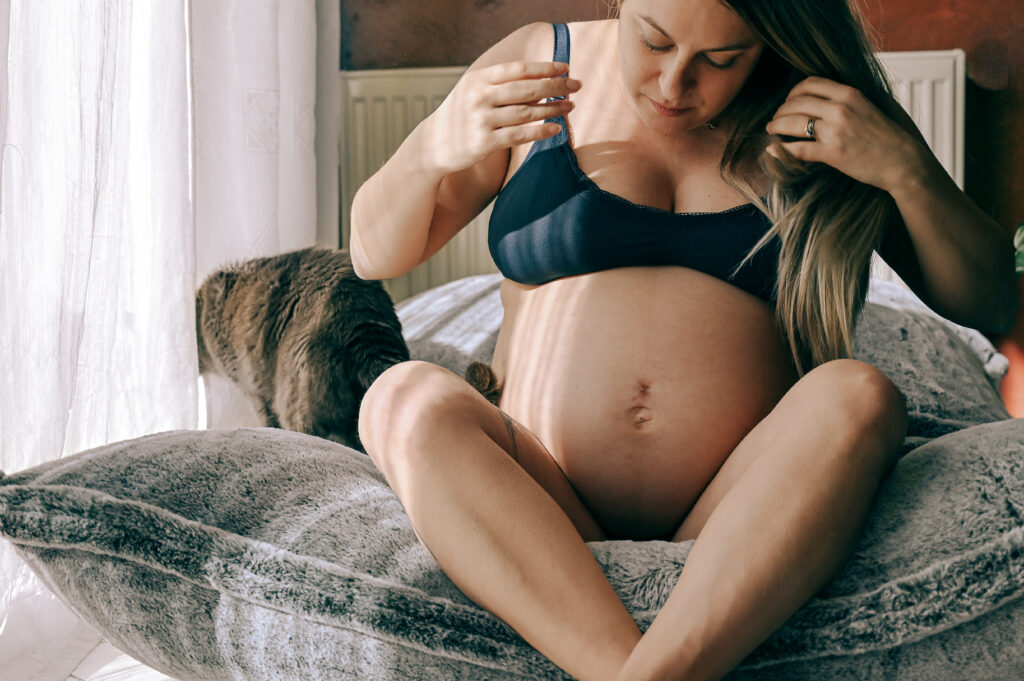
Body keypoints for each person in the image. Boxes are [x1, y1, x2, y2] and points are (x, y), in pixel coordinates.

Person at [349, 0, 1018, 679]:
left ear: (767, 41)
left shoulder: (822, 107)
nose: (673, 84)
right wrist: (431, 150)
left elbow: (991, 300)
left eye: (720, 59)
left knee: (860, 394)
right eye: (654, 41)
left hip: (737, 507)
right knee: (399, 398)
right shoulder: (539, 63)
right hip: (539, 494)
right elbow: (374, 254)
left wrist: (907, 170)